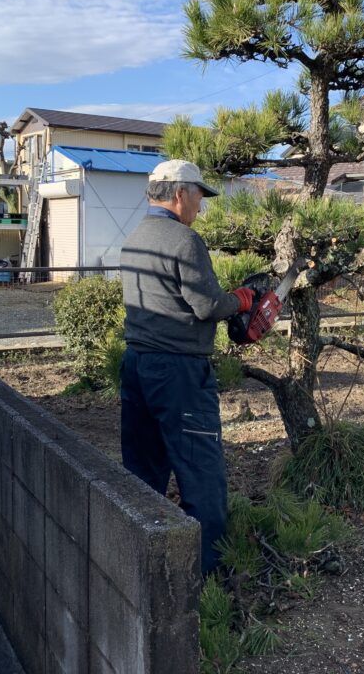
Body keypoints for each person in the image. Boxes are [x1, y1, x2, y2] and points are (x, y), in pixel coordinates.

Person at [119, 159, 254, 574]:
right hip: (179, 372)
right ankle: (208, 580)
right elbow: (207, 305)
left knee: (143, 472)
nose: (201, 206)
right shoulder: (185, 240)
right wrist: (243, 299)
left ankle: (139, 566)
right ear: (180, 194)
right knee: (201, 474)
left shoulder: (135, 237)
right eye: (199, 196)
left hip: (137, 365)